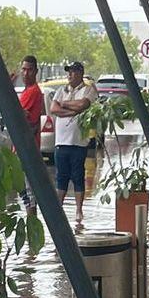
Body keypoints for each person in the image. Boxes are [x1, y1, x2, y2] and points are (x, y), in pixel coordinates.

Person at [50, 61, 98, 223]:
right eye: (68, 72)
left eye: (72, 72)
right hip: (61, 141)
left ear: (80, 73)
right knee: (61, 176)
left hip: (78, 142)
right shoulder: (61, 90)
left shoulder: (89, 89)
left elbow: (83, 104)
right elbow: (53, 109)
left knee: (78, 176)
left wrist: (63, 104)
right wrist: (72, 109)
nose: (69, 75)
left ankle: (78, 210)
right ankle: (59, 209)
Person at [15, 55, 44, 219]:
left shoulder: (33, 92)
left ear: (35, 71)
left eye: (29, 70)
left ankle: (32, 227)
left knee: (28, 192)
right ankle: (31, 228)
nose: (25, 73)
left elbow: (18, 113)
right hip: (23, 148)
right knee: (25, 192)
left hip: (27, 149)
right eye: (23, 69)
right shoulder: (27, 91)